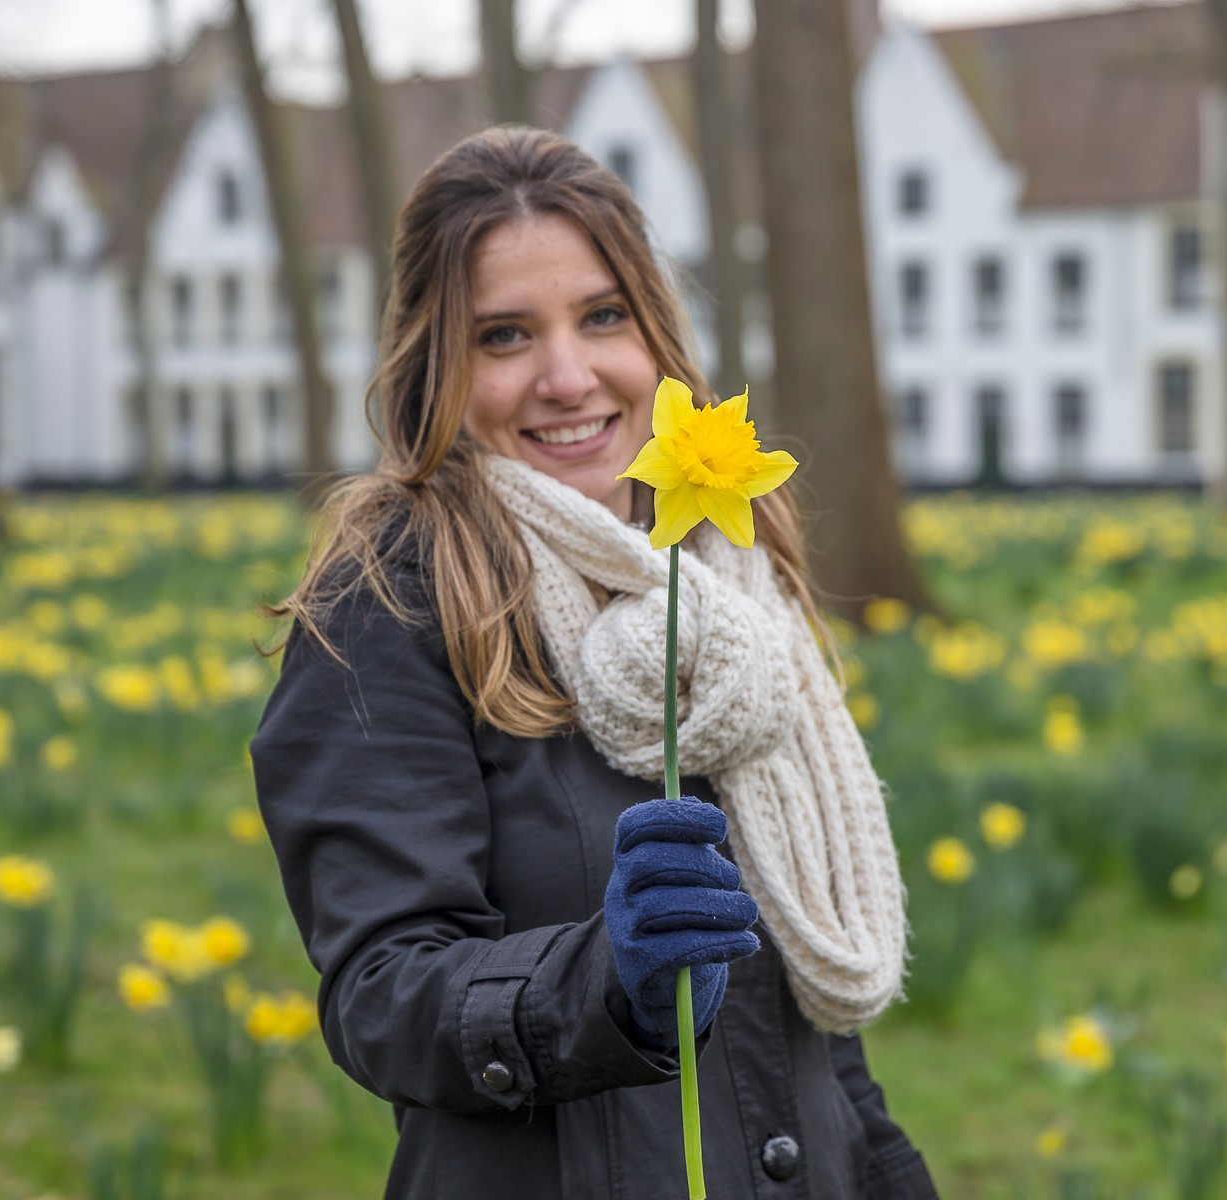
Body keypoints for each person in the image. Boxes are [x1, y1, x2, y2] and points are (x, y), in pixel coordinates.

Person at [250, 126, 936, 1200]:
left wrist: (888, 1175)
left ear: (656, 335)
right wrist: (603, 981)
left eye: (602, 316)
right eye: (506, 336)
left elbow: (797, 1002)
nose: (568, 377)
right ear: (436, 366)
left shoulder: (726, 583)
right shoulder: (387, 602)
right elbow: (379, 998)